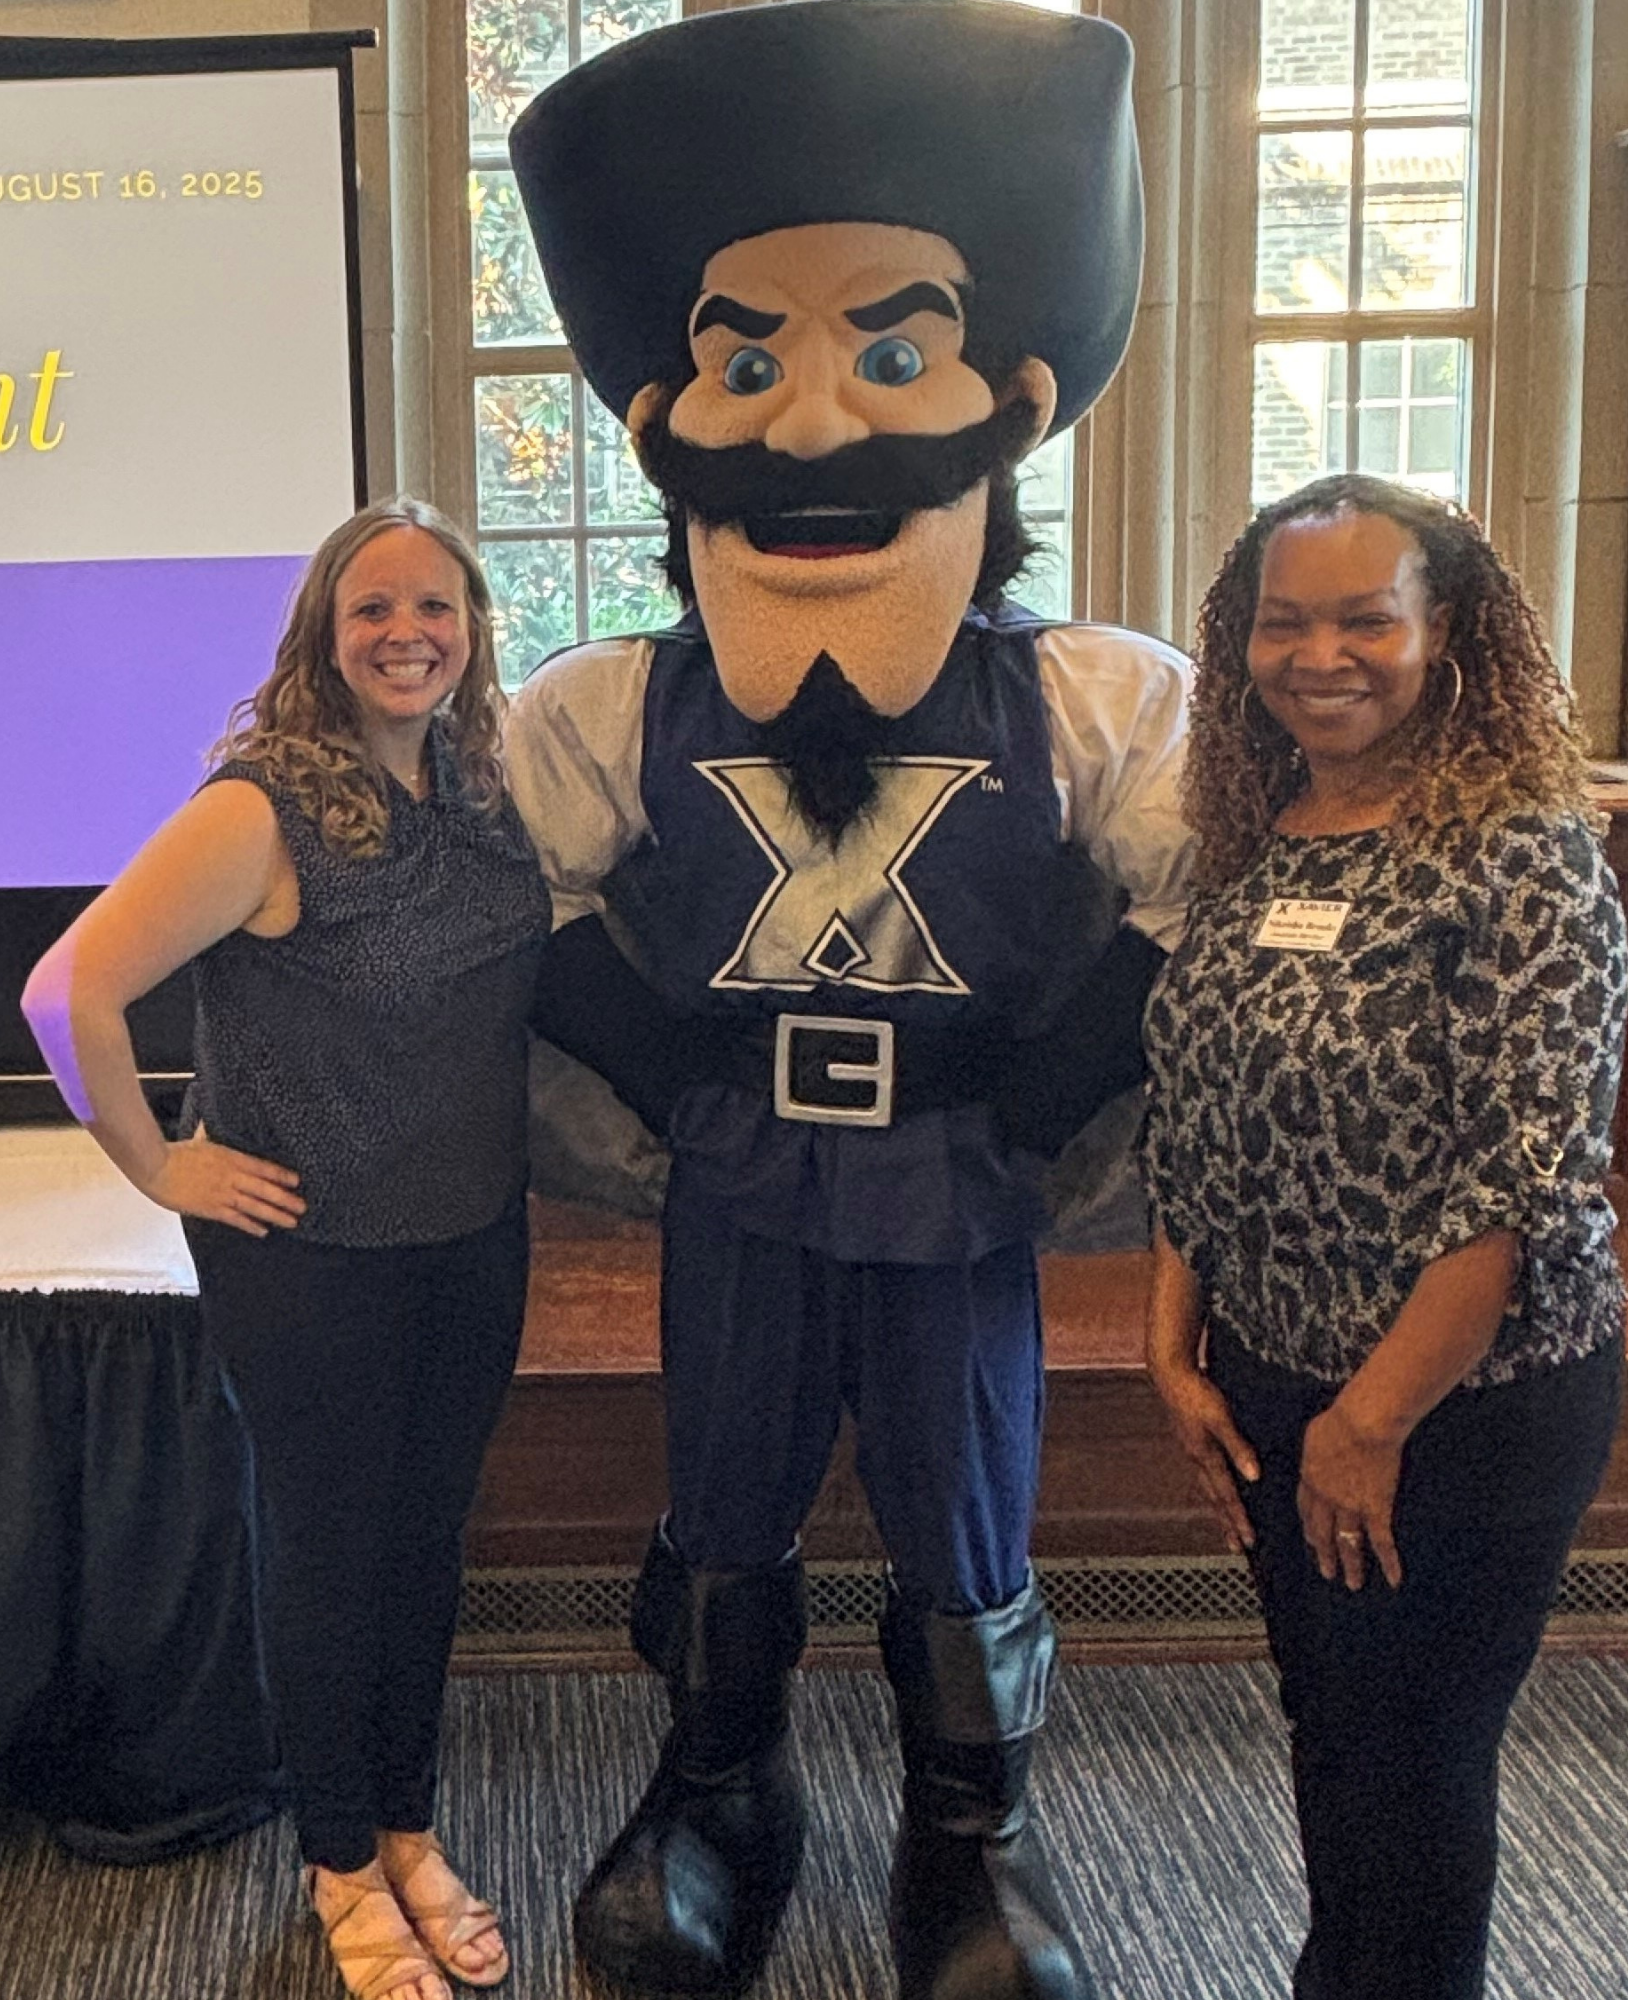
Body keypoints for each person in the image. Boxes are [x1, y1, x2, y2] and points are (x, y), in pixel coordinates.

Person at [501, 5, 1192, 1996]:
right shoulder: (605, 704)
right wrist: (670, 1069)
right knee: (718, 1482)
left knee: (961, 1497)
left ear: (1009, 395)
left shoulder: (1091, 696)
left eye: (891, 354)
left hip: (958, 1183)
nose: (810, 425)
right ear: (665, 418)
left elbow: (1172, 905)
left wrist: (1040, 1092)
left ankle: (974, 1839)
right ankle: (718, 1792)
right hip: (742, 1172)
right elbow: (540, 902)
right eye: (746, 359)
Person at [22, 496, 550, 2000]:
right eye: (373, 608)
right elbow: (71, 993)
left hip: (468, 1235)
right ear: (324, 632)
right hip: (310, 1257)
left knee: (421, 1550)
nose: (408, 634)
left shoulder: (477, 785)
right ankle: (336, 1865)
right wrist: (160, 1161)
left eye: (435, 607)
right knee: (325, 1559)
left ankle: (406, 1825)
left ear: (472, 630)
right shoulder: (262, 806)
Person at [1142, 471, 1628, 2000]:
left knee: (1416, 1767)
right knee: (1336, 1742)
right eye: (1285, 623)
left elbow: (1519, 1174)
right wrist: (1170, 1339)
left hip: (1461, 1406)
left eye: (1366, 618)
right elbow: (1199, 1102)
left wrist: (1372, 1418)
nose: (1321, 655)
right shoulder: (1260, 828)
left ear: (1448, 634)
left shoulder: (1524, 854)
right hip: (1280, 1377)